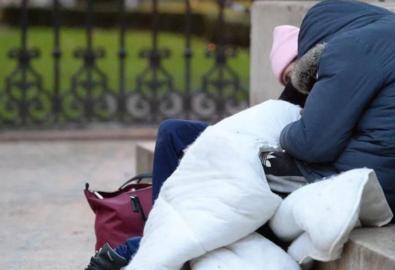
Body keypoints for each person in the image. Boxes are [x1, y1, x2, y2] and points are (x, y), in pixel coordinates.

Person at [85, 25, 305, 270]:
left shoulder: (332, 79)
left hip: (279, 178)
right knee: (172, 131)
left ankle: (153, 245)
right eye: (288, 75)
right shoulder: (305, 90)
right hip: (263, 152)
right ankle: (162, 232)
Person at [278, 0, 395, 223]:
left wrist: (282, 131)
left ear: (306, 53)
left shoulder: (347, 49)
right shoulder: (390, 36)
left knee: (254, 168)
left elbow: (312, 144)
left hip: (374, 186)